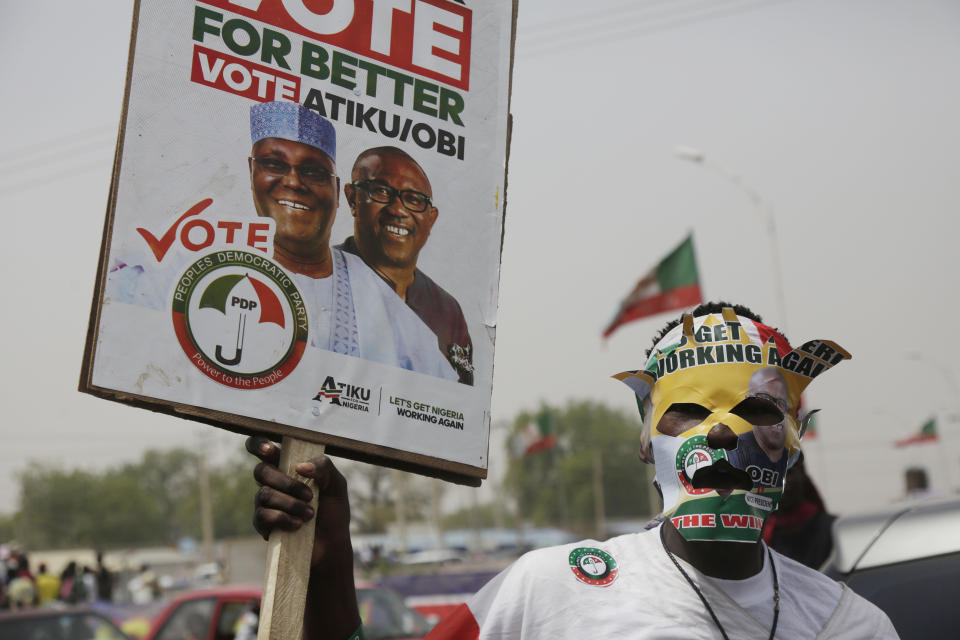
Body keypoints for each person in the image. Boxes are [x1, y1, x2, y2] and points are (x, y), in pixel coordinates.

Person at [248, 302, 898, 639]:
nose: (722, 431)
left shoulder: (852, 627)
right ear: (645, 438)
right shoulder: (551, 595)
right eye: (689, 412)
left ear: (794, 438)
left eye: (756, 409)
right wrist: (328, 562)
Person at [248, 102, 456, 380]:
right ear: (252, 172)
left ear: (336, 192)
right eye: (274, 164)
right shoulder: (212, 264)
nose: (294, 182)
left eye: (313, 172)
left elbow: (443, 394)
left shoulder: (374, 293)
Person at [338, 147, 474, 384]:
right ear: (352, 199)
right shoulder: (320, 276)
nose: (398, 210)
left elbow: (457, 397)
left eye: (414, 199)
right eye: (381, 191)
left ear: (431, 219)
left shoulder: (447, 310)